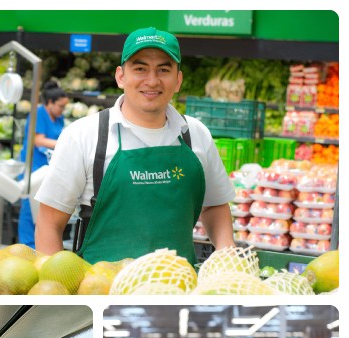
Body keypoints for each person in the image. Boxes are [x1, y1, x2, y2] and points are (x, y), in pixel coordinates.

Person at [33, 27, 235, 262]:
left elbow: (214, 206)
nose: (152, 81)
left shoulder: (196, 135)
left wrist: (226, 252)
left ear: (178, 80)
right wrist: (59, 287)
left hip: (179, 290)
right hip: (102, 292)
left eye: (164, 69)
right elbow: (49, 224)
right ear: (121, 76)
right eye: (140, 69)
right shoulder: (84, 135)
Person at [17, 81, 69, 248]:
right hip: (32, 166)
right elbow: (38, 140)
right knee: (28, 205)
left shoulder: (59, 118)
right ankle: (27, 245)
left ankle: (40, 244)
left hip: (46, 168)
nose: (63, 110)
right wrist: (62, 145)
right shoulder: (38, 113)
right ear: (50, 103)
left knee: (41, 206)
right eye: (60, 106)